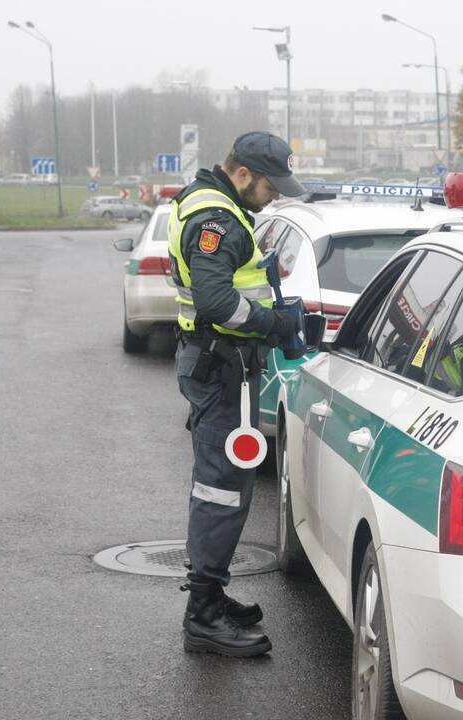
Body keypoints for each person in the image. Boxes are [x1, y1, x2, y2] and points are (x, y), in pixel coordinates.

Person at [168, 131, 305, 657]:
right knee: (221, 488)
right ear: (243, 173)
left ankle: (212, 594)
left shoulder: (221, 206)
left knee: (226, 484)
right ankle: (202, 614)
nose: (276, 195)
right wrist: (274, 322)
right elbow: (218, 301)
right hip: (218, 364)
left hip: (221, 363)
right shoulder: (216, 218)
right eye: (272, 185)